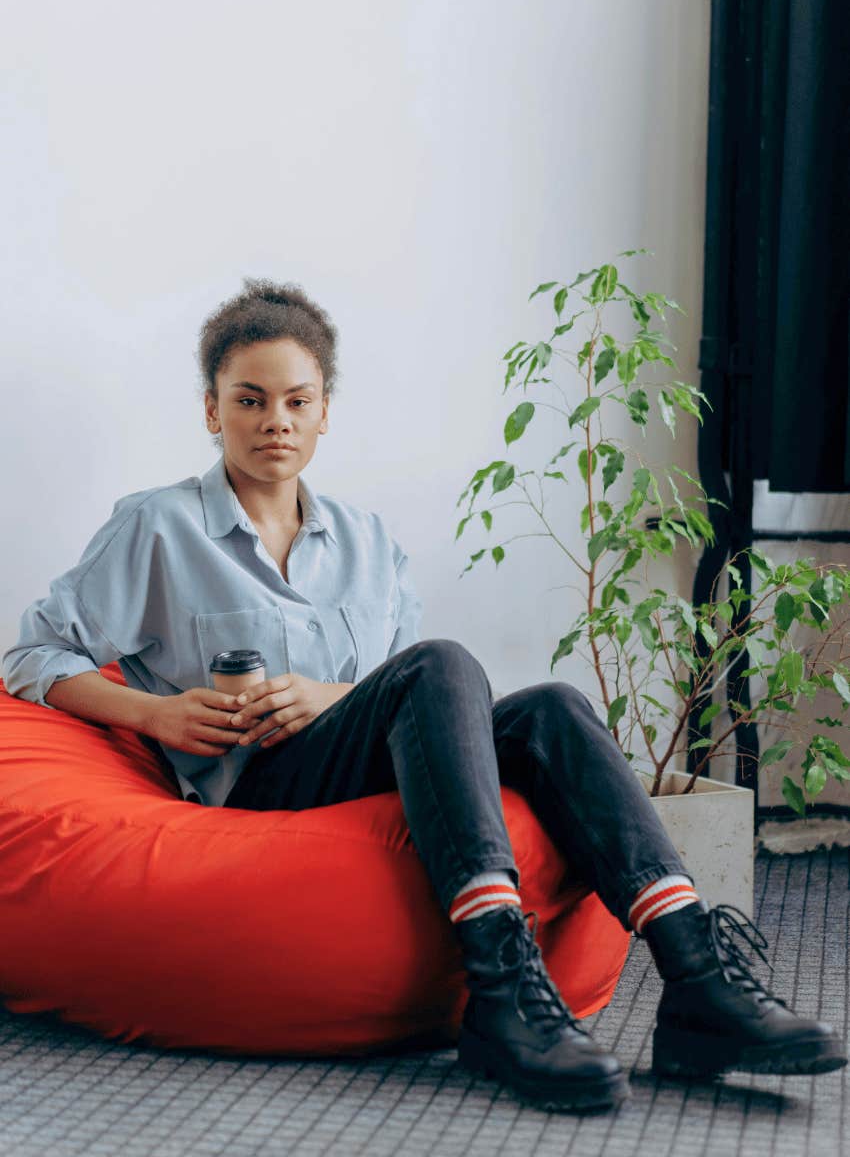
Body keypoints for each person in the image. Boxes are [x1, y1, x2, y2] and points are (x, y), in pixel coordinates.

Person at [2, 280, 846, 1114]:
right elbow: (31, 654)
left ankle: (698, 978)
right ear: (211, 409)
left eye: (298, 400)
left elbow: (408, 701)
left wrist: (330, 699)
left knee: (551, 707)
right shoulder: (156, 527)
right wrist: (156, 715)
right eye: (249, 400)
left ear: (325, 410)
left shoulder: (369, 543)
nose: (275, 421)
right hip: (253, 789)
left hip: (356, 762)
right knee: (445, 663)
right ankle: (500, 986)